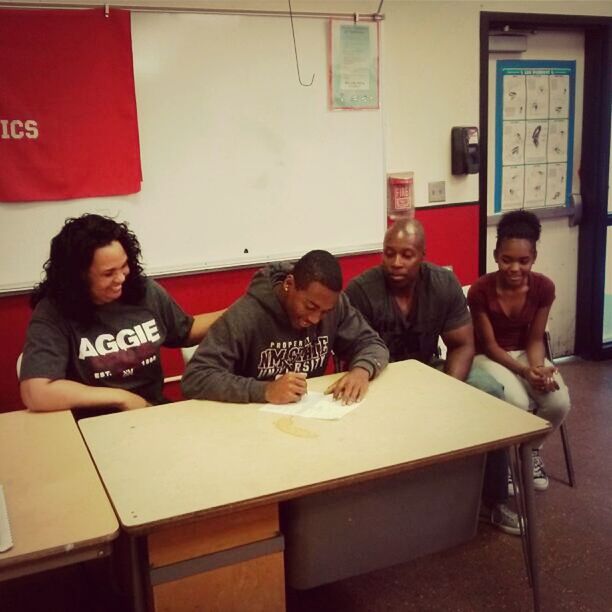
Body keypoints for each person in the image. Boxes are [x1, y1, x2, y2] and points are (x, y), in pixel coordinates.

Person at [344, 218, 520, 535]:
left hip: (430, 370)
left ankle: (494, 501)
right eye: (388, 253)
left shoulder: (442, 284)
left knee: (490, 393)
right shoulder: (361, 290)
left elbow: (463, 344)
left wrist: (449, 391)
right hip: (379, 378)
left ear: (422, 255)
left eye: (406, 254)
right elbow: (352, 350)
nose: (395, 262)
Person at [20, 214, 224, 413]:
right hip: (93, 423)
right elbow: (36, 392)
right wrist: (123, 399)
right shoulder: (53, 312)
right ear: (78, 277)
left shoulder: (144, 290)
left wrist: (242, 309)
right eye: (108, 273)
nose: (121, 278)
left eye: (124, 266)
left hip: (153, 412)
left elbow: (185, 332)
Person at [181, 249, 389, 405]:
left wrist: (362, 370)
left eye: (325, 312)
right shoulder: (247, 314)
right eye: (310, 307)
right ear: (289, 284)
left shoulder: (334, 305)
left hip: (308, 415)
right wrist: (264, 390)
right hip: (251, 421)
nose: (316, 319)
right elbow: (196, 377)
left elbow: (372, 344)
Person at [467, 209, 571, 493]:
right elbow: (489, 345)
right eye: (507, 260)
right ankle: (507, 463)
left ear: (534, 258)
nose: (514, 268)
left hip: (526, 353)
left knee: (558, 400)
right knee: (515, 400)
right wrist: (525, 372)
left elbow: (535, 340)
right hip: (489, 356)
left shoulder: (544, 287)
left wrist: (537, 370)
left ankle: (531, 450)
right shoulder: (479, 290)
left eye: (523, 261)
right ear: (495, 255)